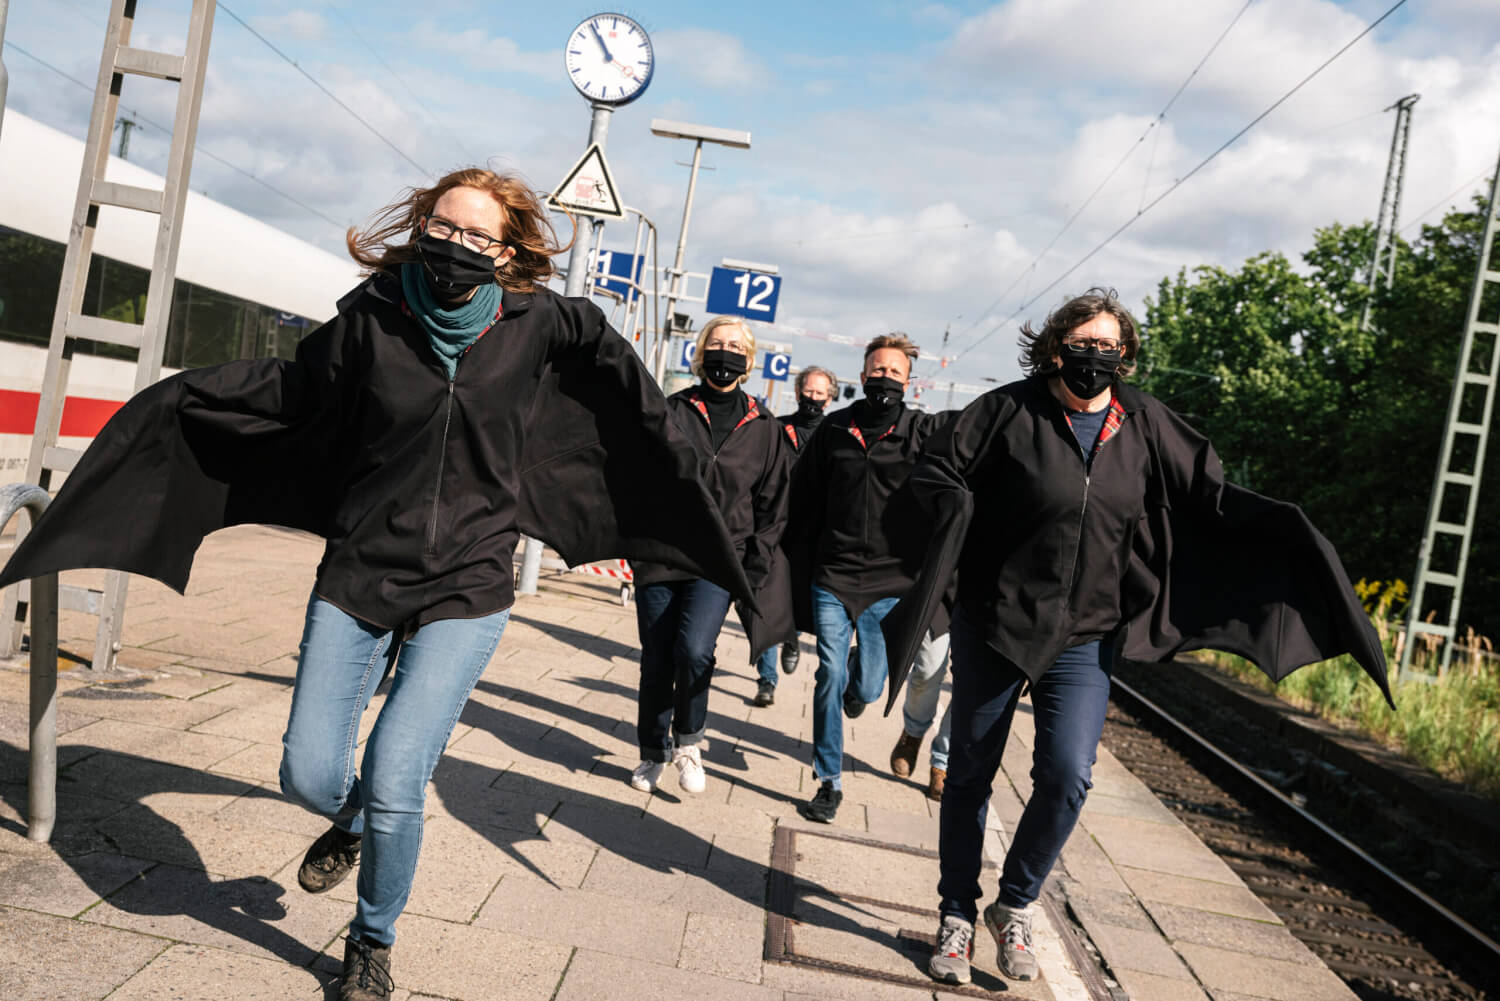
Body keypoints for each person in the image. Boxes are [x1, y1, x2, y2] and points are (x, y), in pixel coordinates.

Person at [0, 168, 752, 1001]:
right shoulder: (371, 317)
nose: (458, 246)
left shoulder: (544, 324)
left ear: (507, 252)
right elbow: (295, 397)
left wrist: (688, 486)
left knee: (398, 771)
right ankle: (350, 818)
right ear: (421, 226)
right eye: (445, 227)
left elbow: (636, 407)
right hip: (360, 571)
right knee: (307, 775)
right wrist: (179, 405)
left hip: (469, 583)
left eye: (479, 237)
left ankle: (371, 941)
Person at [874, 288, 1389, 987]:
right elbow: (938, 468)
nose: (1096, 357)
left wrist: (1281, 533)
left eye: (1110, 347)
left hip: (1087, 632)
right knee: (969, 774)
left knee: (1067, 774)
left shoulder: (1142, 420)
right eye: (1084, 344)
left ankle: (1014, 903)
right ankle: (957, 915)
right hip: (997, 620)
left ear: (1126, 355)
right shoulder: (1008, 409)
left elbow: (1208, 495)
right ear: (1057, 347)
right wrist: (956, 506)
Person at [784, 334, 953, 823]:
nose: (884, 379)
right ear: (861, 377)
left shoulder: (921, 433)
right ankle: (827, 782)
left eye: (894, 374)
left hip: (891, 585)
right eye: (876, 372)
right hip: (833, 577)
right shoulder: (834, 430)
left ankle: (861, 684)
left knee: (871, 688)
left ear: (908, 381)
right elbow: (804, 499)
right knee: (829, 675)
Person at [630, 316, 792, 793]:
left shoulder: (764, 428)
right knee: (657, 656)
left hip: (722, 559)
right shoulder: (671, 409)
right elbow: (640, 474)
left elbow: (773, 504)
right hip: (663, 552)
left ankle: (689, 743)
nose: (726, 352)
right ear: (700, 354)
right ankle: (653, 752)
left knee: (695, 650)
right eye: (717, 344)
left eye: (736, 346)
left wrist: (753, 568)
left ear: (749, 359)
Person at [752, 365, 837, 707]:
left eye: (820, 394)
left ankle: (792, 636)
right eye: (808, 391)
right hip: (774, 528)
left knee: (795, 598)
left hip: (811, 535)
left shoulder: (832, 435)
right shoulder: (778, 428)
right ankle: (766, 680)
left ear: (829, 398)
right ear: (798, 390)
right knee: (767, 603)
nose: (812, 399)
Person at [888, 629, 952, 800]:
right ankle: (912, 732)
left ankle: (943, 762)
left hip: (988, 611)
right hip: (947, 604)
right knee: (927, 671)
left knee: (969, 688)